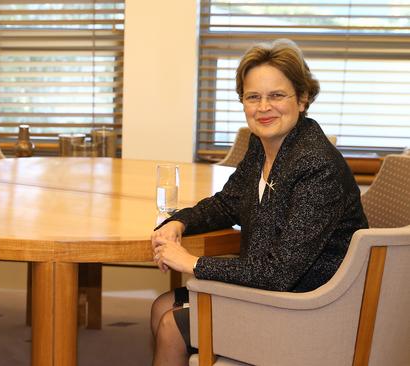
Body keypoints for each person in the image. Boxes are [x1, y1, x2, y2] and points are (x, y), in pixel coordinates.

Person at [149, 39, 368, 365]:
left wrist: (191, 262)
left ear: (303, 98)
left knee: (171, 324)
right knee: (162, 305)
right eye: (253, 97)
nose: (264, 107)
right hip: (273, 293)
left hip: (309, 308)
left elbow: (279, 272)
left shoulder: (316, 164)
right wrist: (178, 221)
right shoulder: (263, 145)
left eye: (277, 95)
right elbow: (227, 203)